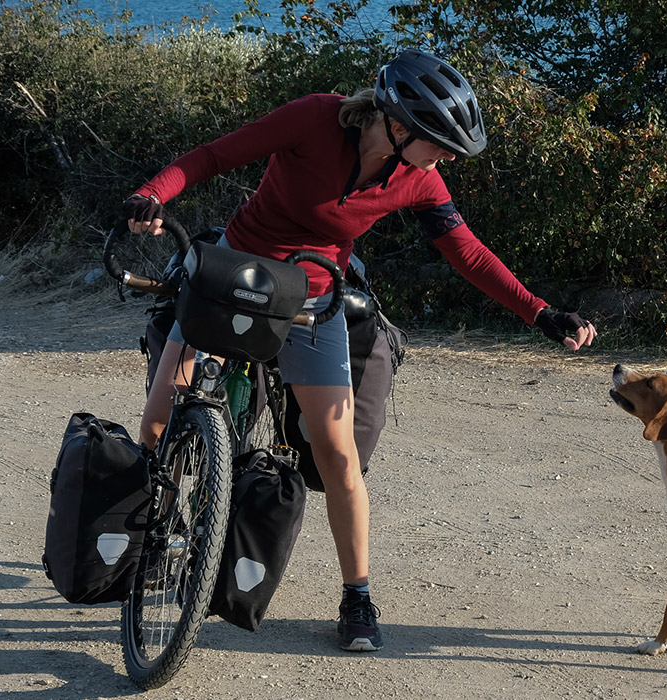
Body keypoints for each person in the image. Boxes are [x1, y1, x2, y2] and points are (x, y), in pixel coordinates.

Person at [122, 49, 597, 653]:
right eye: (440, 143)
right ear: (397, 125)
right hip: (232, 275)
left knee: (339, 455)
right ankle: (152, 538)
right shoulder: (314, 119)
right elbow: (214, 156)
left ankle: (357, 596)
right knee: (158, 419)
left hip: (311, 299)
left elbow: (467, 253)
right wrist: (153, 195)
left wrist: (540, 312)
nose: (448, 158)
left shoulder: (419, 179)